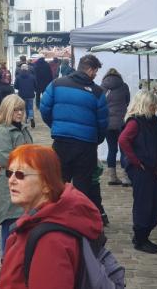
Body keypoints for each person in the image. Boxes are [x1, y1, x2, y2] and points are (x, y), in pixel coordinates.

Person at [0, 144, 103, 289]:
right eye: (10, 173)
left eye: (20, 175)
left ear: (46, 184)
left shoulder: (51, 242)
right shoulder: (36, 220)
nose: (11, 180)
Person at [39, 54, 108, 213]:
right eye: (95, 72)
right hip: (86, 146)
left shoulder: (56, 84)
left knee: (59, 182)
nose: (95, 75)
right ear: (90, 70)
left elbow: (45, 108)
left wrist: (56, 126)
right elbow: (103, 122)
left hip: (62, 142)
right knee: (82, 186)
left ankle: (57, 216)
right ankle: (77, 218)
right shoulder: (97, 92)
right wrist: (96, 139)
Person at [118, 91, 157, 254]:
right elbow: (123, 140)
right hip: (142, 170)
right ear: (144, 105)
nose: (155, 107)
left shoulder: (150, 120)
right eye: (152, 105)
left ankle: (143, 237)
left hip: (151, 169)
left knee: (155, 204)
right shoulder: (135, 122)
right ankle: (140, 239)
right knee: (145, 204)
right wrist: (136, 161)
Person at [0, 94, 33, 254]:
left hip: (24, 180)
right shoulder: (3, 131)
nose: (20, 113)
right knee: (10, 224)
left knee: (22, 222)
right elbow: (5, 158)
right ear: (7, 110)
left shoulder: (22, 128)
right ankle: (7, 258)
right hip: (9, 183)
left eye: (21, 109)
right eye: (16, 110)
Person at [101, 68, 131, 186]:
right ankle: (125, 177)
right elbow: (127, 101)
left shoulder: (102, 87)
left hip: (108, 124)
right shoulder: (123, 86)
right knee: (124, 150)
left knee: (111, 149)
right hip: (121, 122)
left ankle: (112, 177)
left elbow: (100, 103)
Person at [14, 64, 36, 128]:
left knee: (22, 108)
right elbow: (35, 85)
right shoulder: (32, 76)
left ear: (21, 69)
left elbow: (15, 86)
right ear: (27, 69)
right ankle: (31, 117)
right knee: (30, 108)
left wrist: (20, 88)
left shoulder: (18, 77)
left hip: (22, 95)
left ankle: (24, 120)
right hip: (30, 94)